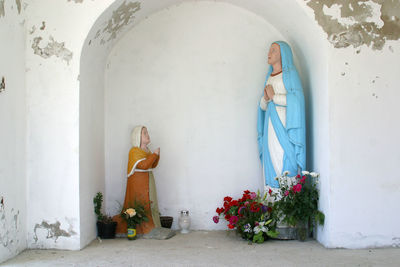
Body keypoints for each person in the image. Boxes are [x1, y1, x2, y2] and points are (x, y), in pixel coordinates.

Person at [257, 41, 306, 190]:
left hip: (285, 124)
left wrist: (274, 97)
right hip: (270, 125)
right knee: (270, 154)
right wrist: (265, 99)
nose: (269, 53)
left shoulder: (290, 75)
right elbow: (262, 107)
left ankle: (287, 197)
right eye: (269, 50)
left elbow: (297, 101)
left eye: (273, 50)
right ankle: (272, 198)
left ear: (283, 55)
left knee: (284, 153)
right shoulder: (269, 77)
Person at [113, 126, 161, 234]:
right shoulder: (134, 151)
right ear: (137, 136)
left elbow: (152, 165)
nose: (147, 134)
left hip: (148, 179)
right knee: (142, 203)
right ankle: (144, 228)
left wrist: (156, 156)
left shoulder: (147, 151)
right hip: (139, 183)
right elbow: (143, 165)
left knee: (151, 202)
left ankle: (153, 226)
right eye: (144, 133)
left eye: (147, 132)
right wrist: (154, 155)